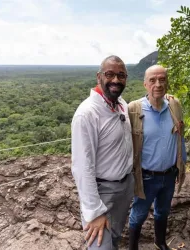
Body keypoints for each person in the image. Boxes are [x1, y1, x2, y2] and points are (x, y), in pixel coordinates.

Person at [71, 55, 134, 250]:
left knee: (114, 238)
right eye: (110, 74)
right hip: (102, 192)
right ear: (99, 77)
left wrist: (162, 97)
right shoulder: (87, 114)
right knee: (100, 246)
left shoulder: (121, 104)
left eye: (121, 75)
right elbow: (82, 167)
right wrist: (94, 212)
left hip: (124, 187)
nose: (116, 80)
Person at [128, 65, 187, 250]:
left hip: (169, 173)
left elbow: (180, 136)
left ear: (167, 82)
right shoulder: (134, 110)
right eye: (152, 80)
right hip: (146, 176)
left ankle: (160, 242)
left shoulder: (174, 106)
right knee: (138, 214)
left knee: (163, 211)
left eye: (162, 79)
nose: (158, 84)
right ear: (145, 84)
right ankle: (132, 247)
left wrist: (181, 165)